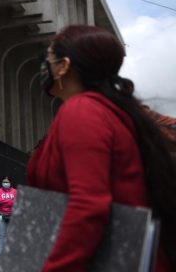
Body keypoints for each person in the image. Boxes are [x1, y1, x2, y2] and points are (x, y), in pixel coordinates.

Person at [28, 25, 176, 272]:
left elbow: (88, 205)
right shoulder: (113, 112)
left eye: (49, 58)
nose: (44, 66)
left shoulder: (82, 110)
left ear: (63, 66)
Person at [0, 176, 16, 253]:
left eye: (7, 182)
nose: (5, 183)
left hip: (11, 215)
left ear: (10, 182)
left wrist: (5, 201)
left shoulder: (15, 191)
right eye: (4, 182)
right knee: (2, 235)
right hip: (0, 215)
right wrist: (10, 201)